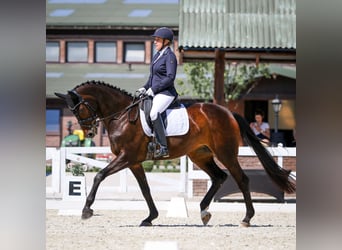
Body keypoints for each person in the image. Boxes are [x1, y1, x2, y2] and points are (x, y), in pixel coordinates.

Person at [136, 27, 178, 158]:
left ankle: (164, 147)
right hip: (155, 91)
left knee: (154, 113)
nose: (155, 42)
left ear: (166, 41)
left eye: (158, 40)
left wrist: (153, 89)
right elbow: (152, 77)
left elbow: (170, 78)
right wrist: (145, 87)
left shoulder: (170, 56)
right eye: (155, 39)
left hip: (166, 93)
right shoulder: (157, 56)